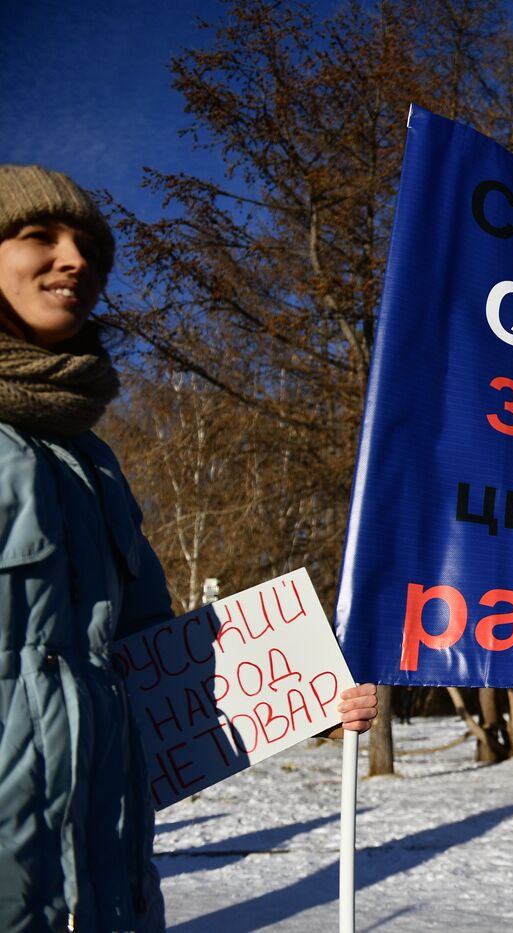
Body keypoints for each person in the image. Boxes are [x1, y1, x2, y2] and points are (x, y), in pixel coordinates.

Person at [0, 164, 378, 931]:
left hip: (108, 887)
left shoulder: (93, 461)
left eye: (90, 248)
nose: (75, 259)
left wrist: (312, 692)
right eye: (39, 236)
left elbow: (151, 665)